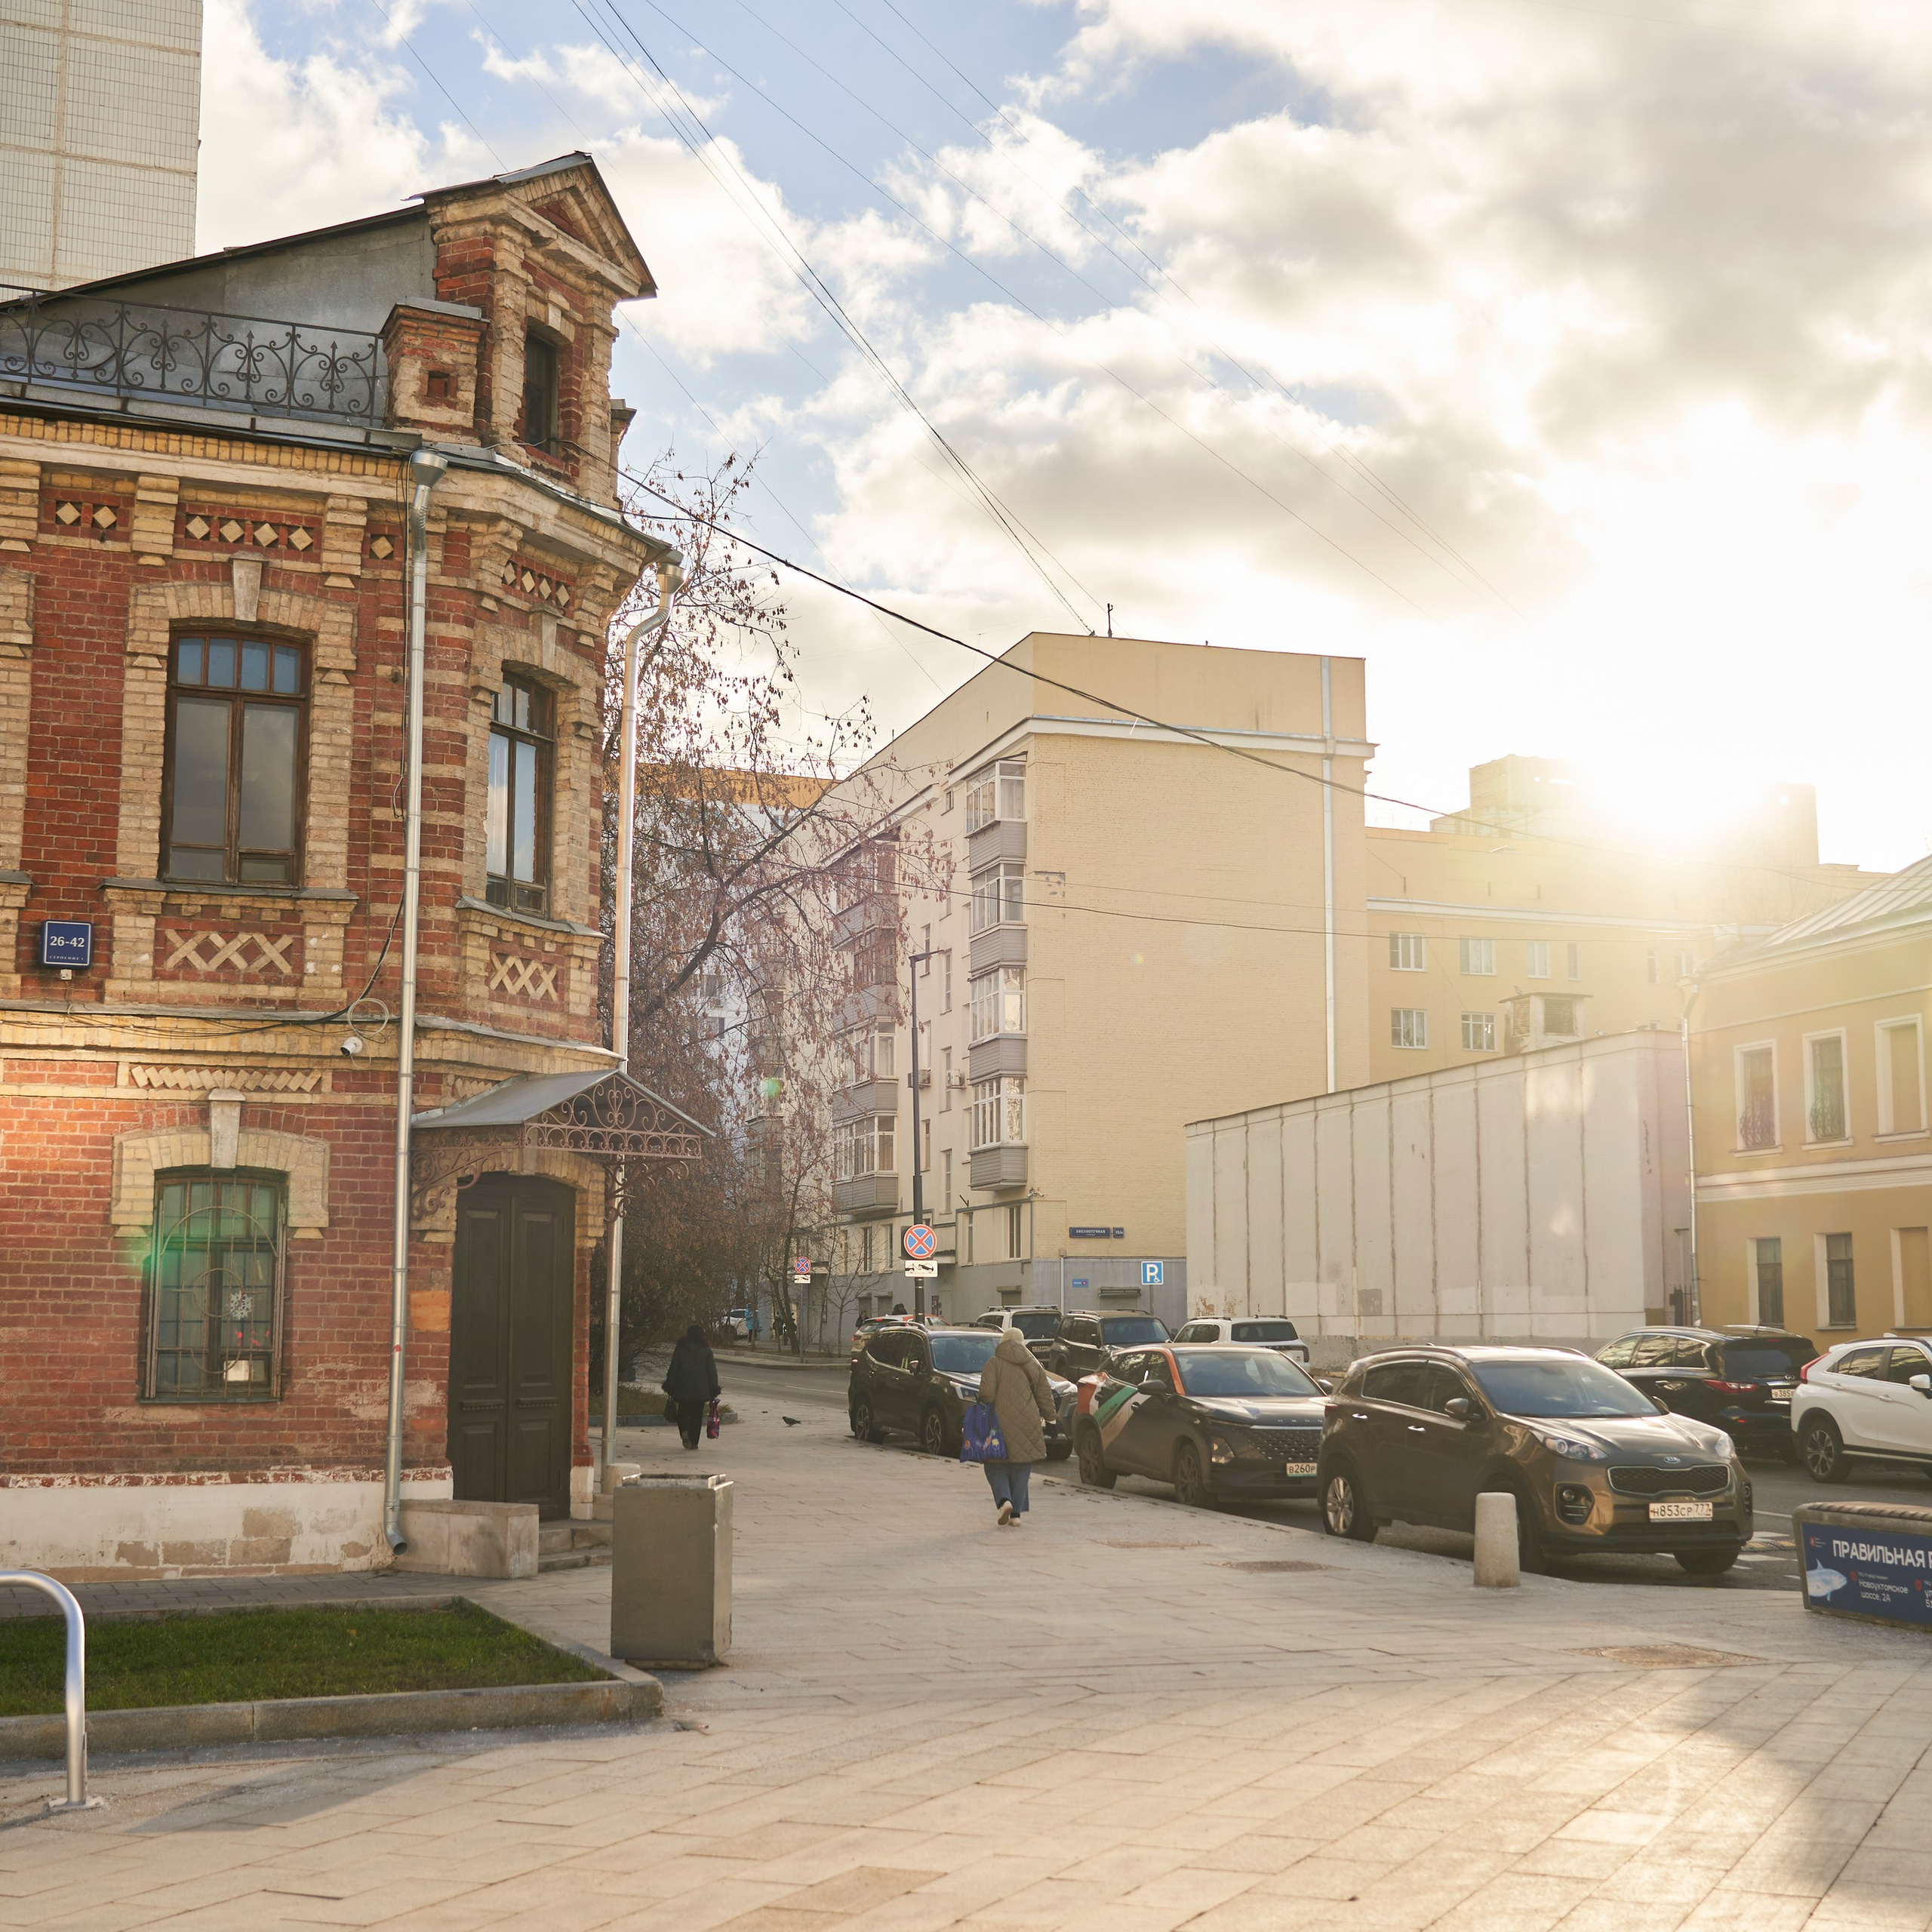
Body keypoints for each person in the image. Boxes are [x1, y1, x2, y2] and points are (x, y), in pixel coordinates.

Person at [977, 1327, 1057, 1526]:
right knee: (1022, 1466)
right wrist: (1051, 1420)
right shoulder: (1035, 1365)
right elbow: (1045, 1396)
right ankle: (1016, 1515)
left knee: (995, 1464)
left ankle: (1005, 1501)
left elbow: (986, 1394)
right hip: (1029, 1421)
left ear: (1003, 1342)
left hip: (998, 1422)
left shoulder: (994, 1363)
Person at [662, 1322, 720, 1451]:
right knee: (697, 1416)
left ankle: (684, 1432)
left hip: (683, 1386)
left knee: (683, 1412)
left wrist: (670, 1385)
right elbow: (712, 1372)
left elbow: (674, 1369)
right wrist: (714, 1388)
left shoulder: (680, 1349)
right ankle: (694, 1443)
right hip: (701, 1388)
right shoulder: (707, 1351)